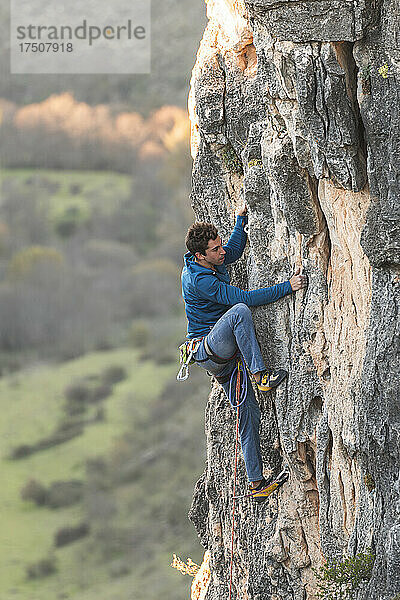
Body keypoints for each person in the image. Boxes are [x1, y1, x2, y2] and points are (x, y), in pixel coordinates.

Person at [181, 203, 307, 500]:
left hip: (222, 357)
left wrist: (240, 220)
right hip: (209, 348)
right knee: (238, 311)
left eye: (219, 245)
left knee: (247, 414)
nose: (221, 251)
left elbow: (234, 251)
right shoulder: (201, 280)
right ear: (200, 255)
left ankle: (256, 484)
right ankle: (261, 374)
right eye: (214, 249)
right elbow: (244, 299)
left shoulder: (207, 261)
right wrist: (288, 286)